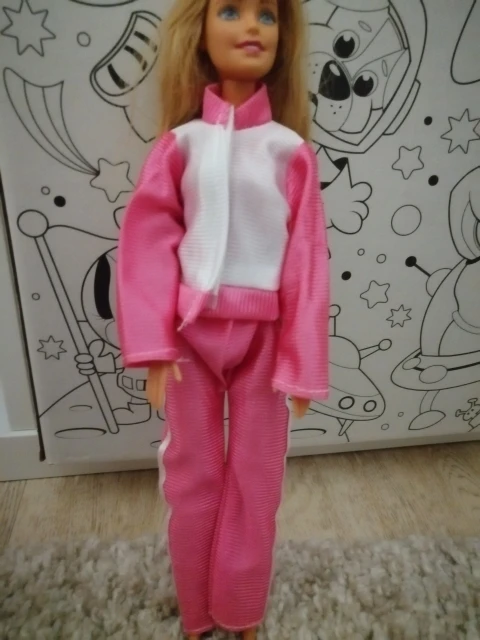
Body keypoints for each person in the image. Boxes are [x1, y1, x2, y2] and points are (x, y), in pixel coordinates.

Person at [116, 1, 330, 637]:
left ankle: (240, 606)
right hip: (190, 339)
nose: (252, 27)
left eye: (268, 15)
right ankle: (196, 611)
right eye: (231, 10)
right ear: (201, 34)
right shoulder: (180, 145)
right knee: (194, 475)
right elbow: (148, 245)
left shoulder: (289, 151)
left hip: (264, 337)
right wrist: (155, 346)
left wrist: (301, 362)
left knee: (256, 480)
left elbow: (306, 261)